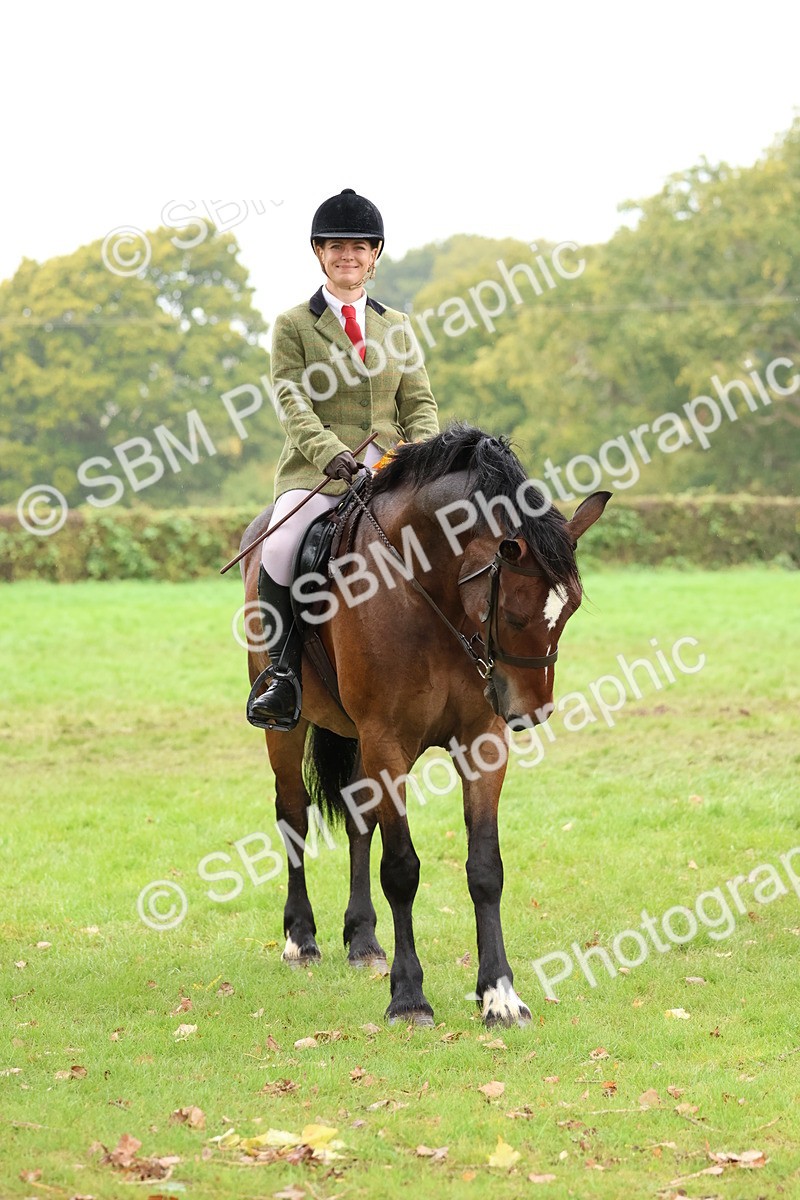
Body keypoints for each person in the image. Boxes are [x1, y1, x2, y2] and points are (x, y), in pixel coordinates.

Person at [248, 188, 440, 729]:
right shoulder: (293, 324)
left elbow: (419, 403)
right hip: (319, 472)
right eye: (336, 246)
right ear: (319, 253)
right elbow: (291, 400)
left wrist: (423, 454)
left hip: (392, 470)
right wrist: (330, 453)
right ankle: (282, 676)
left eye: (358, 246)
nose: (347, 255)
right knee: (280, 546)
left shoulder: (396, 325)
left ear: (374, 254)